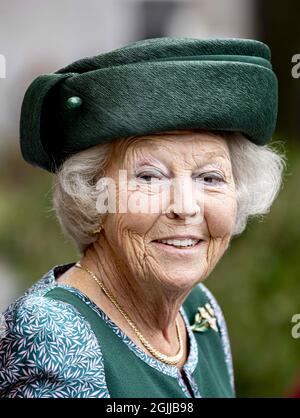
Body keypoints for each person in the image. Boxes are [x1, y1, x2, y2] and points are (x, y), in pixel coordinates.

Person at [0, 37, 285, 398]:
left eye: (210, 178)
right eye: (149, 177)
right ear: (93, 195)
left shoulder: (198, 310)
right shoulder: (54, 330)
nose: (185, 206)